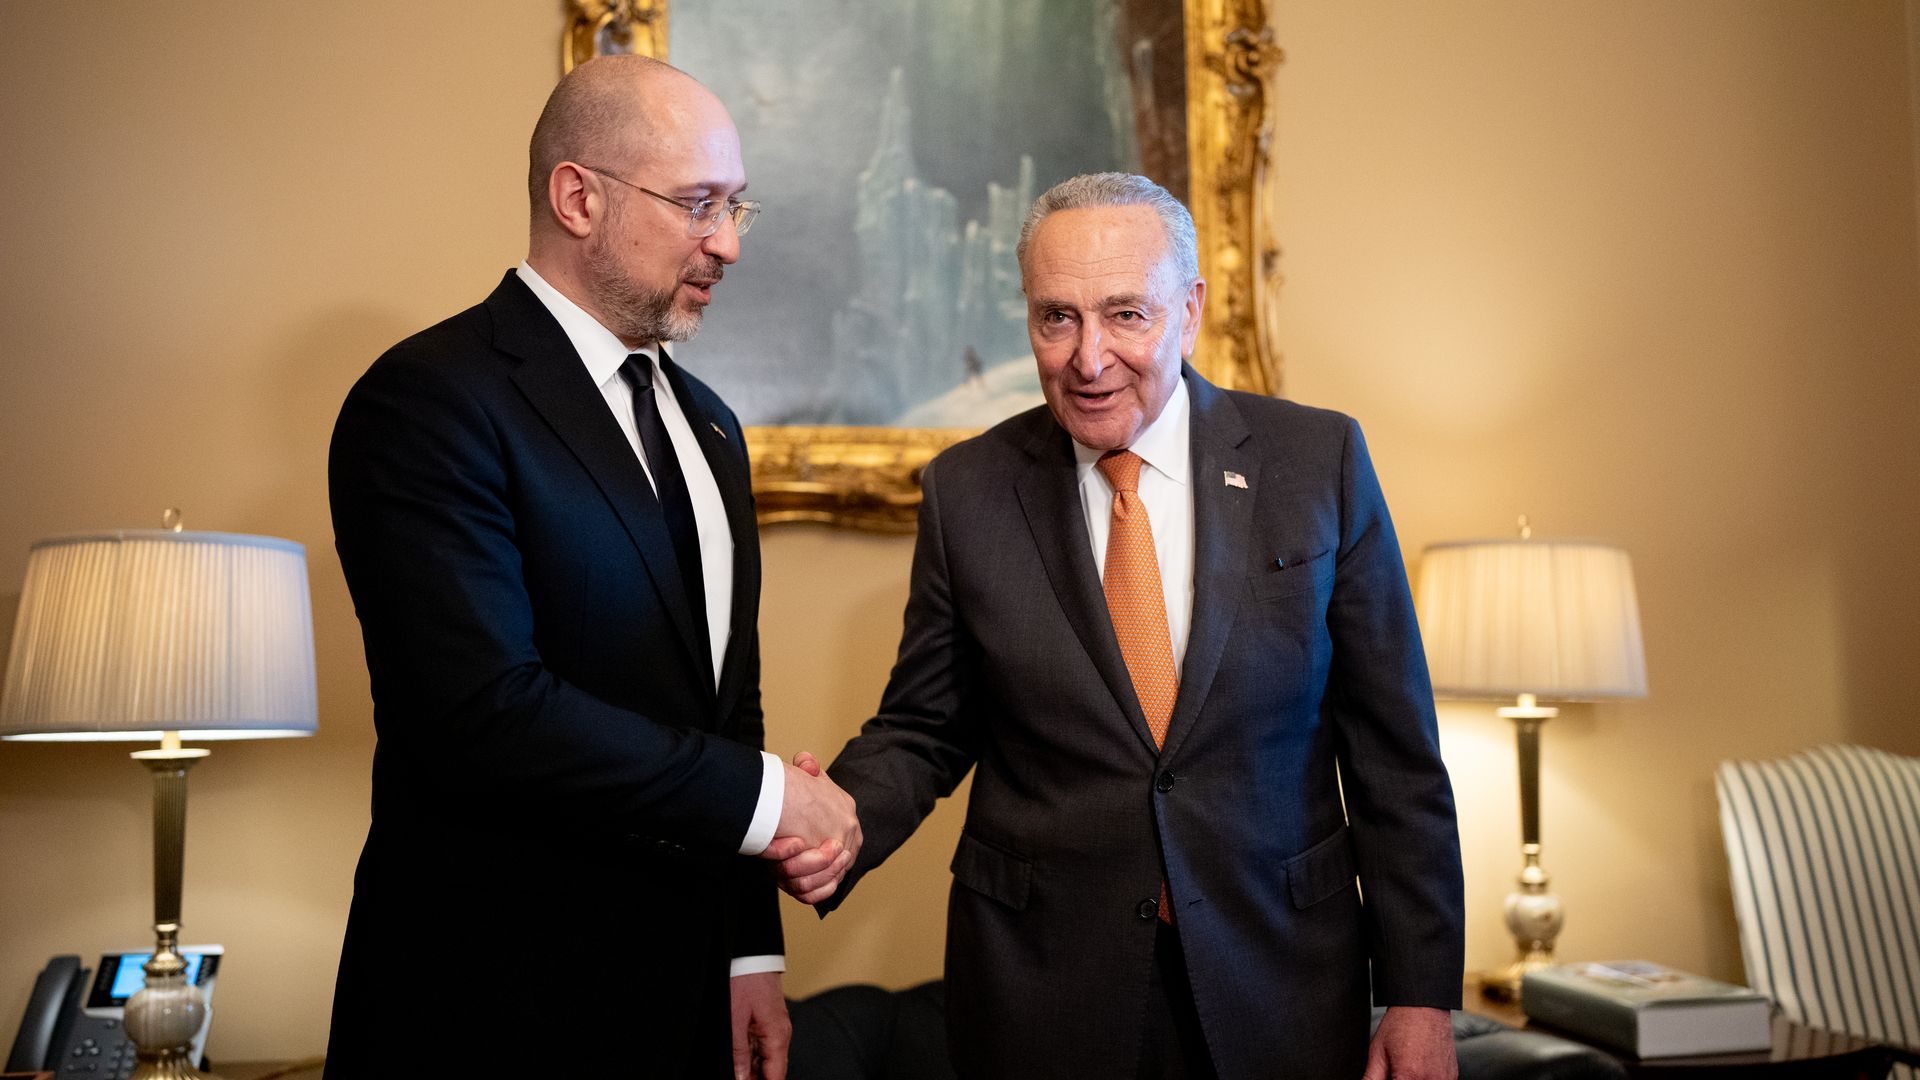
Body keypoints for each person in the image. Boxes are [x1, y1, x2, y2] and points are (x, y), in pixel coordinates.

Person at [772, 173, 1465, 1080]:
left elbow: (1393, 754)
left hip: (1280, 981)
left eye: (1125, 315)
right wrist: (841, 823)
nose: (1088, 357)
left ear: (1190, 309)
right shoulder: (970, 491)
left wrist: (1421, 994)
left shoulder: (1316, 461)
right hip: (1046, 993)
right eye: (1055, 318)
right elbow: (925, 726)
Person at [326, 55, 859, 1080]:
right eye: (699, 204)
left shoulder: (709, 425)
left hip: (690, 995)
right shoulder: (429, 401)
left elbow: (724, 708)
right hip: (491, 1006)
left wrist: (750, 946)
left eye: (738, 205)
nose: (730, 243)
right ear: (578, 197)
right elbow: (484, 714)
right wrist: (773, 803)